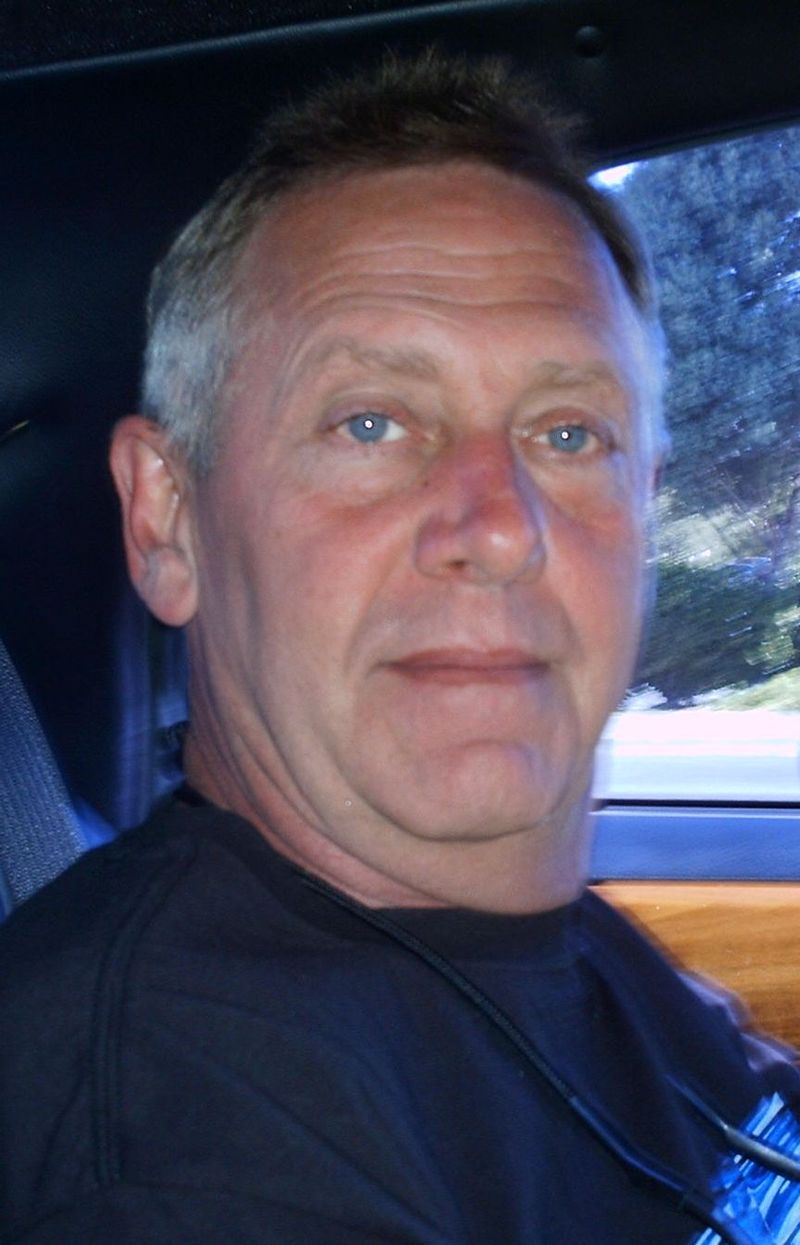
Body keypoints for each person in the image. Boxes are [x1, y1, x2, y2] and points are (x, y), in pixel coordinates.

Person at [1, 49, 799, 1245]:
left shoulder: (550, 951)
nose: (500, 528)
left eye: (568, 433)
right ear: (167, 522)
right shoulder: (187, 1139)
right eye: (369, 422)